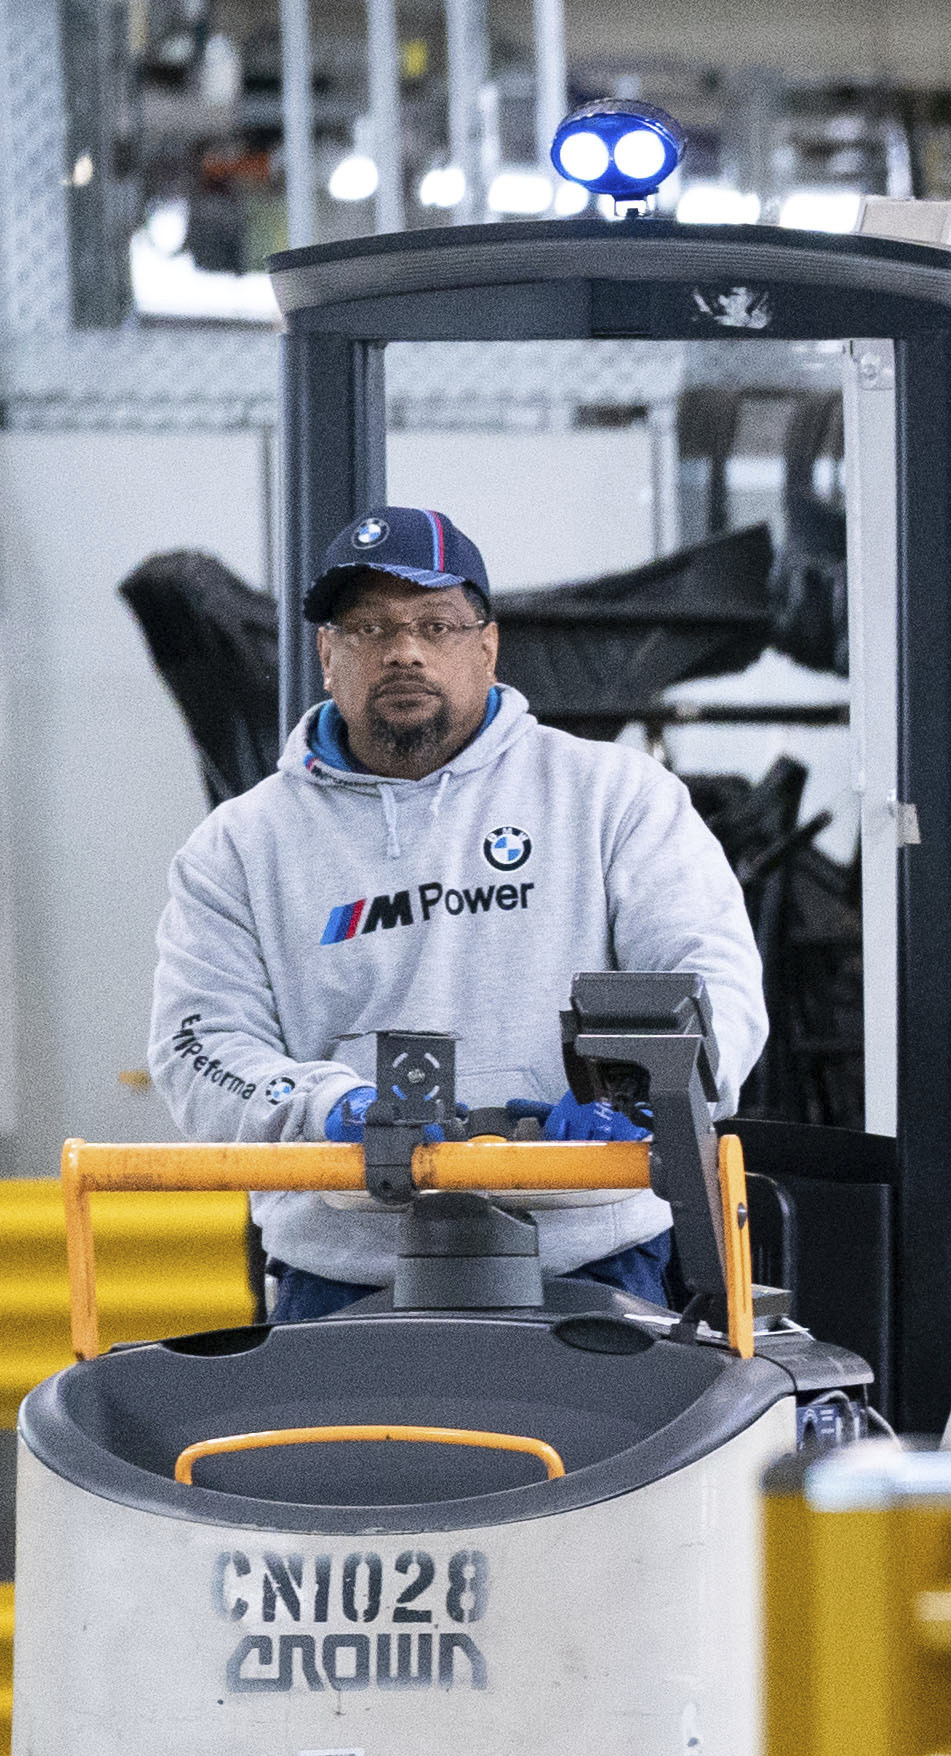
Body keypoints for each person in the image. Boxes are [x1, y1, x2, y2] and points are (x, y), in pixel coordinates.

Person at [147, 506, 770, 1321]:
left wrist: (639, 1097)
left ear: (487, 646)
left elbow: (714, 978)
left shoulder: (614, 799)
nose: (403, 649)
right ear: (327, 654)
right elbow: (196, 1045)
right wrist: (328, 1107)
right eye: (369, 627)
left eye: (435, 623)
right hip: (343, 1283)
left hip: (596, 1262)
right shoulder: (239, 847)